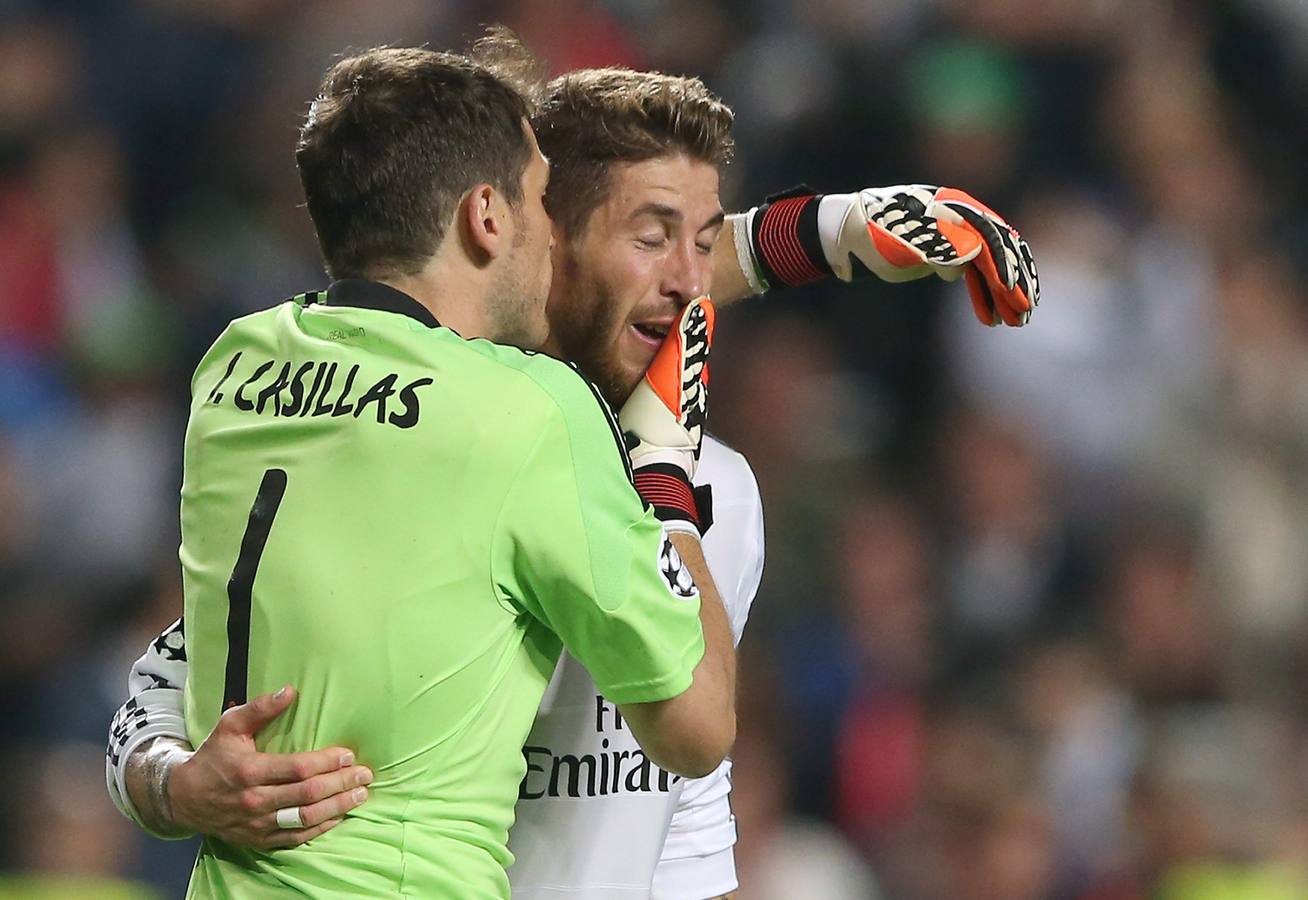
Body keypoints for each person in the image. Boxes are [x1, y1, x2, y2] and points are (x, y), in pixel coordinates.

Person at [107, 40, 1038, 900]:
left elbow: (689, 820)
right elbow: (177, 677)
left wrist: (825, 235)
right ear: (532, 234)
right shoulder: (461, 434)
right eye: (650, 235)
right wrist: (170, 781)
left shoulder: (727, 491)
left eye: (704, 242)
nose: (685, 279)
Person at [118, 43, 740, 899]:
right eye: (535, 201)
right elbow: (697, 731)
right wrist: (667, 479)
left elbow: (177, 663)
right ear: (487, 216)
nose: (550, 236)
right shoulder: (527, 412)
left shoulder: (235, 368)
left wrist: (166, 783)